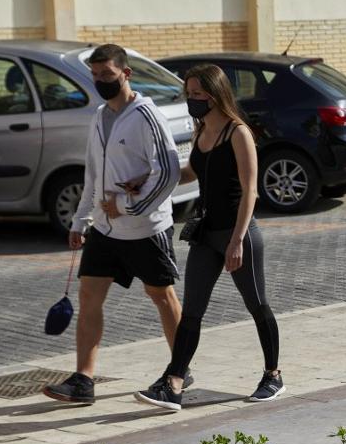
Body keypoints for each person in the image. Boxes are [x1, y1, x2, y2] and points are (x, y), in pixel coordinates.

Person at [43, 43, 186, 405]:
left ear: (126, 73)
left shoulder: (147, 115)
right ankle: (83, 381)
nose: (101, 81)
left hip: (145, 230)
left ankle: (181, 367)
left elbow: (167, 172)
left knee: (161, 296)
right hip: (104, 231)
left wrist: (127, 206)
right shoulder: (99, 116)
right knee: (89, 295)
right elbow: (93, 173)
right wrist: (80, 220)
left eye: (107, 75)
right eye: (95, 76)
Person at [135, 63, 282, 411]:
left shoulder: (238, 132)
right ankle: (173, 381)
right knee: (192, 311)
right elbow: (192, 171)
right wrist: (151, 180)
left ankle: (273, 374)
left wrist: (237, 240)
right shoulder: (202, 130)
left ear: (216, 95)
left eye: (199, 95)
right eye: (189, 94)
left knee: (257, 304)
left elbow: (250, 192)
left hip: (238, 234)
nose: (192, 100)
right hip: (206, 233)